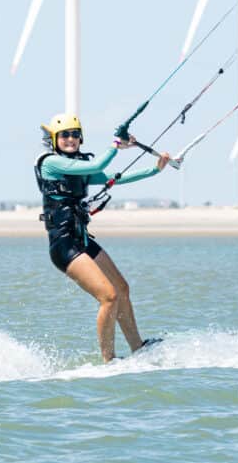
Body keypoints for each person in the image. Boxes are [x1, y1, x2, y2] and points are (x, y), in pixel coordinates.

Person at [35, 113, 170, 362]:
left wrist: (154, 170)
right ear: (54, 139)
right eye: (64, 135)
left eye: (75, 134)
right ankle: (109, 360)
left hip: (82, 240)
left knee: (122, 288)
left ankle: (138, 348)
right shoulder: (50, 163)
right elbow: (95, 166)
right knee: (109, 297)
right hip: (64, 246)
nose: (70, 139)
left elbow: (111, 177)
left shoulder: (79, 164)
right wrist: (116, 145)